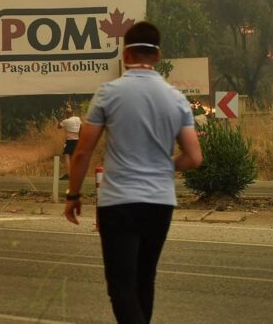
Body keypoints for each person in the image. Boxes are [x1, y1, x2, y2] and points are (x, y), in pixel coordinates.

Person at [64, 22, 203, 324]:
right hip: (160, 203)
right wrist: (165, 168)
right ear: (157, 55)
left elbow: (83, 151)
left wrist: (73, 194)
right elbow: (194, 156)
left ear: (125, 53)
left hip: (119, 202)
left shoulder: (108, 93)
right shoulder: (176, 98)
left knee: (121, 286)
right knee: (144, 280)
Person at [57, 105, 82, 179]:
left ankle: (69, 174)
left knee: (66, 156)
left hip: (70, 141)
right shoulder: (78, 118)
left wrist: (63, 118)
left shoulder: (66, 121)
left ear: (67, 114)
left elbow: (58, 126)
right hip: (77, 140)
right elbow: (81, 125)